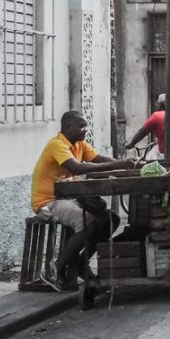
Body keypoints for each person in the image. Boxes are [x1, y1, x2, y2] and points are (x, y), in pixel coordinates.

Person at [31, 111, 135, 291]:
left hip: (69, 198)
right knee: (86, 222)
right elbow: (77, 168)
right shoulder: (57, 145)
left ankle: (81, 262)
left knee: (110, 219)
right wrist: (117, 165)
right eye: (81, 126)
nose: (85, 129)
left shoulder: (79, 144)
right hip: (49, 202)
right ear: (67, 127)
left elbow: (99, 159)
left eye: (85, 125)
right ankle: (52, 270)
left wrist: (125, 165)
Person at [125, 93, 170, 158]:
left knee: (152, 162)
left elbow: (142, 132)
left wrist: (131, 144)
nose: (156, 105)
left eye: (157, 103)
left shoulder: (157, 115)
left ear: (161, 104)